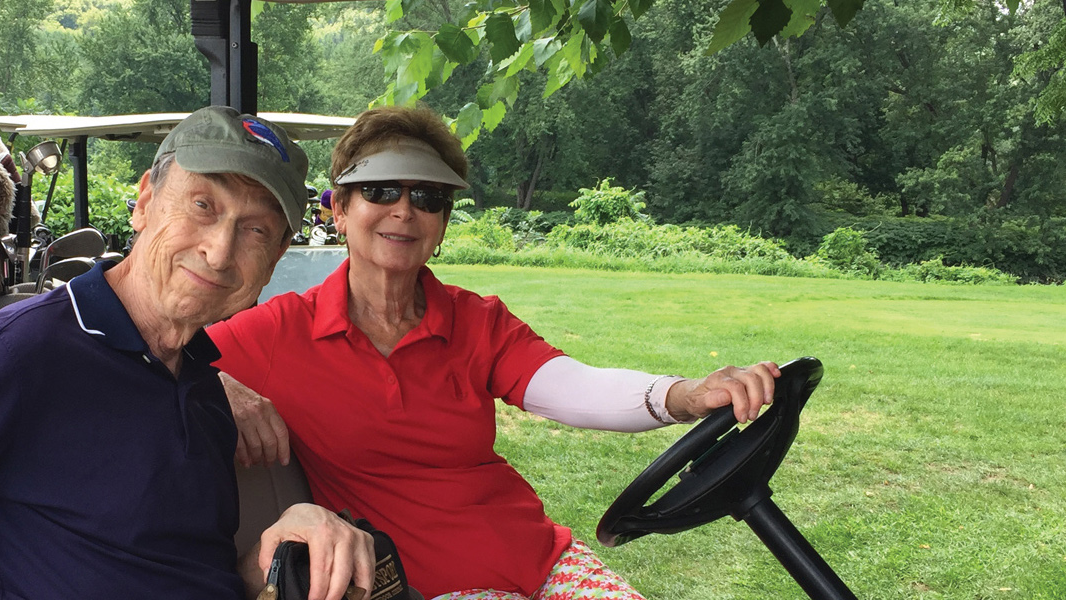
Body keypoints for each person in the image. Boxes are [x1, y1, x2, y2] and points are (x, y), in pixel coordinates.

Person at [0, 106, 375, 600]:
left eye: (255, 231)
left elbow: (185, 575)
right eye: (203, 205)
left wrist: (280, 543)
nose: (220, 251)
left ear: (274, 261)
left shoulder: (199, 384)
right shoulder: (16, 356)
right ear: (145, 201)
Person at [208, 106, 782, 600]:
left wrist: (684, 396)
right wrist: (220, 384)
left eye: (428, 197)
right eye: (381, 191)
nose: (404, 210)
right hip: (425, 584)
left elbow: (570, 386)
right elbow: (154, 359)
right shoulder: (281, 331)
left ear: (442, 224)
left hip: (541, 560)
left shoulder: (476, 320)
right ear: (339, 211)